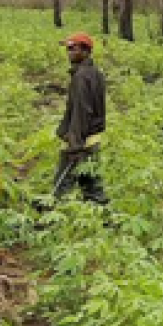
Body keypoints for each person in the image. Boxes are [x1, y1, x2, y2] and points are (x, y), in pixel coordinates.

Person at [53, 33, 109, 204]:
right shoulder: (95, 73)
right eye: (68, 48)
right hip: (92, 140)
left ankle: (57, 223)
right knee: (92, 188)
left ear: (86, 51)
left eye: (73, 48)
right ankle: (104, 221)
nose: (69, 52)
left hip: (81, 141)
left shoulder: (81, 77)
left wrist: (75, 146)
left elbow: (82, 111)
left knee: (62, 186)